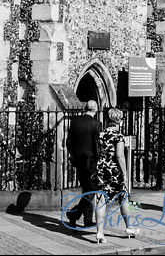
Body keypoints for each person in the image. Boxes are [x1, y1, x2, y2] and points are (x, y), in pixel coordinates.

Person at [92, 109, 139, 243]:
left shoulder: (100, 134)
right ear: (120, 120)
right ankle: (129, 227)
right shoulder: (118, 136)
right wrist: (125, 173)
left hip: (101, 169)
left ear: (108, 119)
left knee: (101, 200)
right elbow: (119, 155)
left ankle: (100, 233)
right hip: (113, 171)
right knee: (122, 197)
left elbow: (97, 152)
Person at [65, 100, 102, 228]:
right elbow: (96, 145)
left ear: (85, 108)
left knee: (87, 190)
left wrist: (73, 154)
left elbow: (68, 142)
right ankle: (74, 214)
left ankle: (87, 219)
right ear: (96, 109)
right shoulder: (96, 124)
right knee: (92, 190)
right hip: (91, 162)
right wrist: (99, 159)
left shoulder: (75, 122)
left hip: (78, 161)